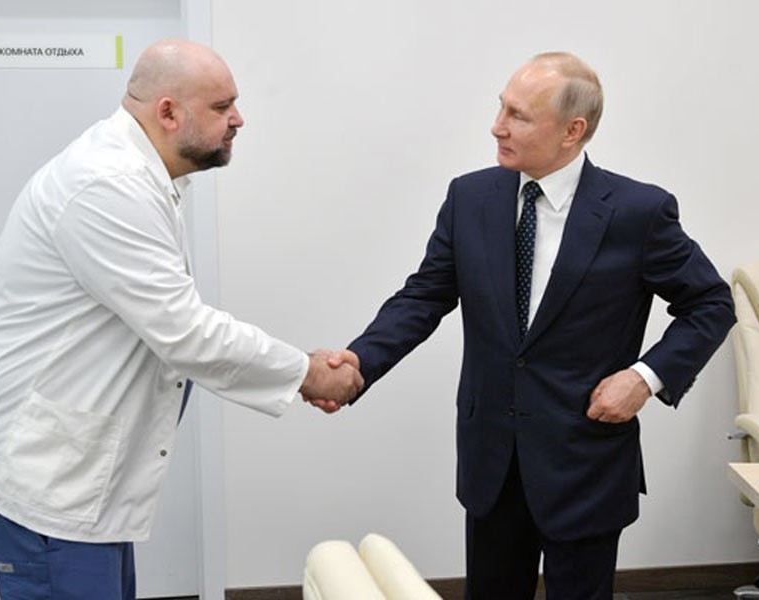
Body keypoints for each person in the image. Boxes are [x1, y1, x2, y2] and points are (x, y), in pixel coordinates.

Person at [306, 52, 736, 599]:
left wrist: (645, 377)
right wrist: (360, 363)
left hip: (585, 460)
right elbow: (425, 296)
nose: (497, 126)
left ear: (572, 131)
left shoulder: (637, 211)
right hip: (493, 463)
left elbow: (711, 303)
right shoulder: (470, 197)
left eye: (519, 115)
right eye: (501, 107)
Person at [0, 39, 360, 600]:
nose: (239, 119)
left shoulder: (142, 176)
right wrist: (310, 372)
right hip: (43, 490)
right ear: (167, 112)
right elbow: (187, 332)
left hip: (74, 480)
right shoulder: (108, 184)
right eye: (222, 107)